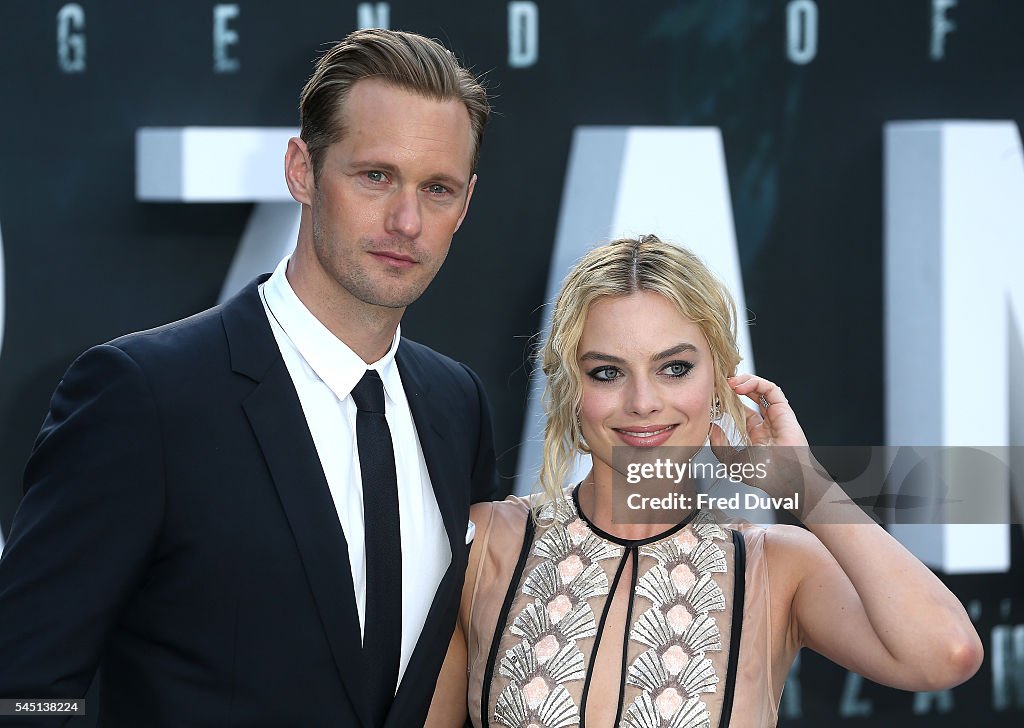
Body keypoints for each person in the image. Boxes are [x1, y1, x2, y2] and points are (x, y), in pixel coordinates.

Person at [0, 28, 498, 727]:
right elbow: (22, 687)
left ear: (465, 205)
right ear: (301, 170)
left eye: (437, 188)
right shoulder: (143, 396)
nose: (406, 221)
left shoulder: (457, 405)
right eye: (375, 176)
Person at [425, 235, 982, 727]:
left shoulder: (776, 566)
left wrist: (807, 486)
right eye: (607, 372)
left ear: (720, 379)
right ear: (572, 387)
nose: (643, 403)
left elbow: (947, 652)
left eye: (674, 368)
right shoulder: (488, 544)